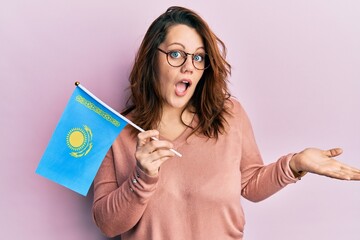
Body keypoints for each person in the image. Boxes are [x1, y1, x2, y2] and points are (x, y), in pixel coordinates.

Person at [92, 6, 360, 240]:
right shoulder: (116, 133)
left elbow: (250, 184)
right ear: (152, 58)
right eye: (176, 54)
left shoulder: (229, 116)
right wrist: (142, 178)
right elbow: (107, 224)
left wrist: (295, 164)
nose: (189, 67)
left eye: (198, 57)